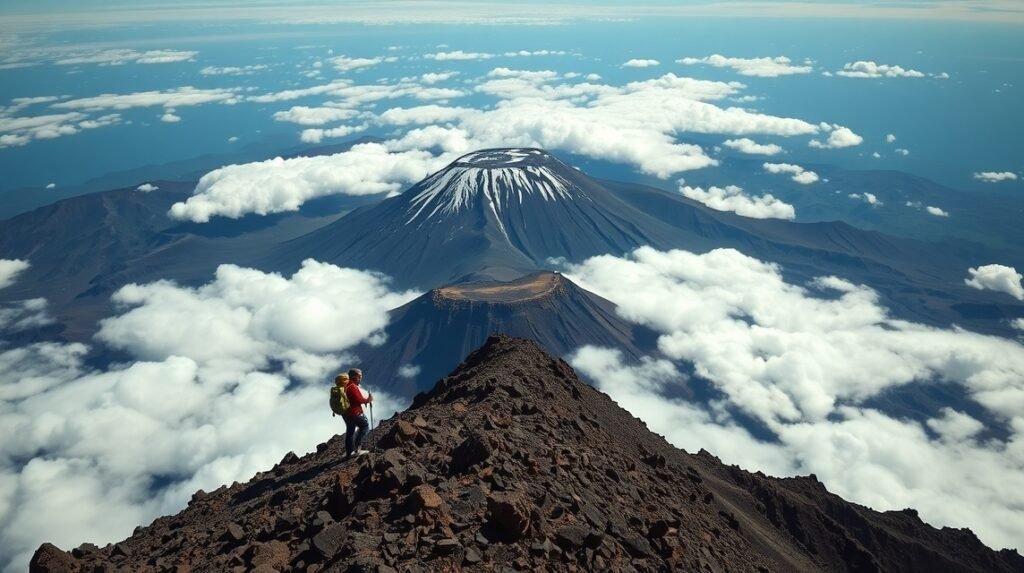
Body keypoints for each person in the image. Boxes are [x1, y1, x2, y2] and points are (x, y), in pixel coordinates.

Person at [343, 368, 374, 459]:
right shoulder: (352, 386)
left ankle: (350, 452)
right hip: (354, 413)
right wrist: (368, 400)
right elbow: (359, 399)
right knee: (365, 426)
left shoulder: (345, 385)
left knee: (350, 431)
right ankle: (358, 449)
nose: (360, 379)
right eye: (359, 376)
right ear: (354, 376)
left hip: (346, 413)